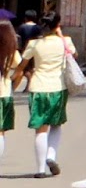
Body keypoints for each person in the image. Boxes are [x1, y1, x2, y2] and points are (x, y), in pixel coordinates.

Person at [16, 10, 74, 178]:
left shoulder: (34, 44)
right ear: (58, 25)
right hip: (58, 88)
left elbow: (21, 66)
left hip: (38, 88)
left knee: (40, 130)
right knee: (56, 125)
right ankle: (51, 156)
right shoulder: (65, 42)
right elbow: (74, 55)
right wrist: (61, 35)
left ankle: (40, 169)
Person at [0, 20, 20, 169]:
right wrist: (13, 84)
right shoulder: (12, 52)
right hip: (4, 93)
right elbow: (19, 71)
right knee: (0, 133)